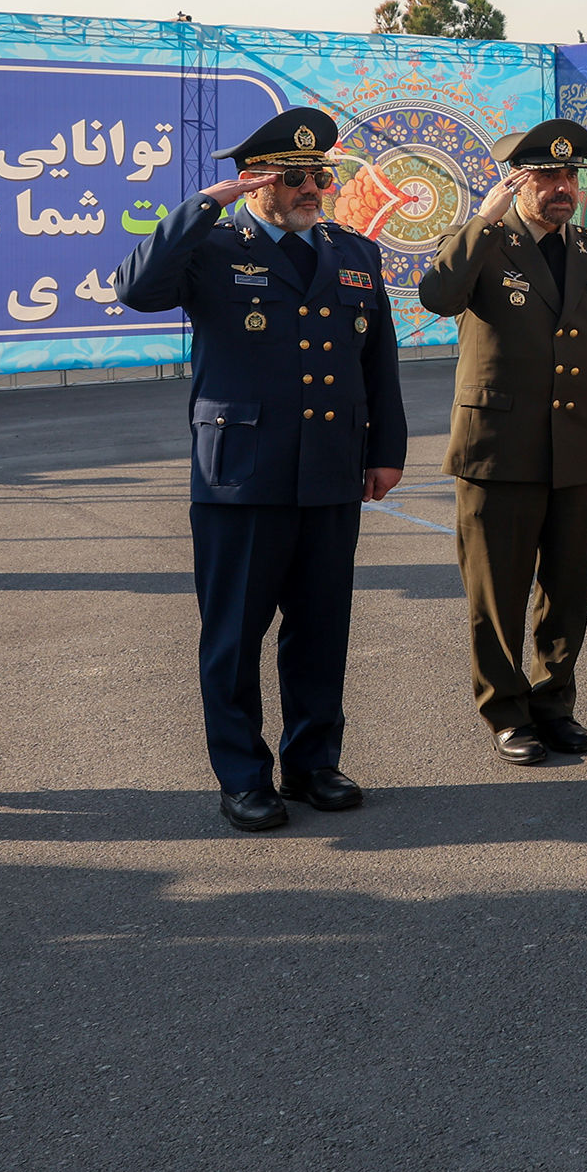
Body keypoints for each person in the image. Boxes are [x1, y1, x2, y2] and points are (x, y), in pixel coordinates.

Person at [112, 107, 407, 832]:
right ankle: (244, 775)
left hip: (330, 471)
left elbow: (379, 363)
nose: (314, 188)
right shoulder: (212, 245)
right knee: (235, 636)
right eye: (296, 177)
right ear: (259, 182)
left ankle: (313, 763)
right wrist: (207, 202)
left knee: (320, 627)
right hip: (241, 473)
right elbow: (137, 288)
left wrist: (386, 452)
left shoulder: (354, 254)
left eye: (321, 175)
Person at [417, 118, 587, 767]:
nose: (562, 187)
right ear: (517, 183)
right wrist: (481, 223)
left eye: (570, 176)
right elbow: (437, 295)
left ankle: (554, 703)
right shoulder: (483, 243)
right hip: (497, 449)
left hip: (575, 447)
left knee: (566, 591)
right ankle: (505, 711)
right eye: (546, 177)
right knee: (498, 595)